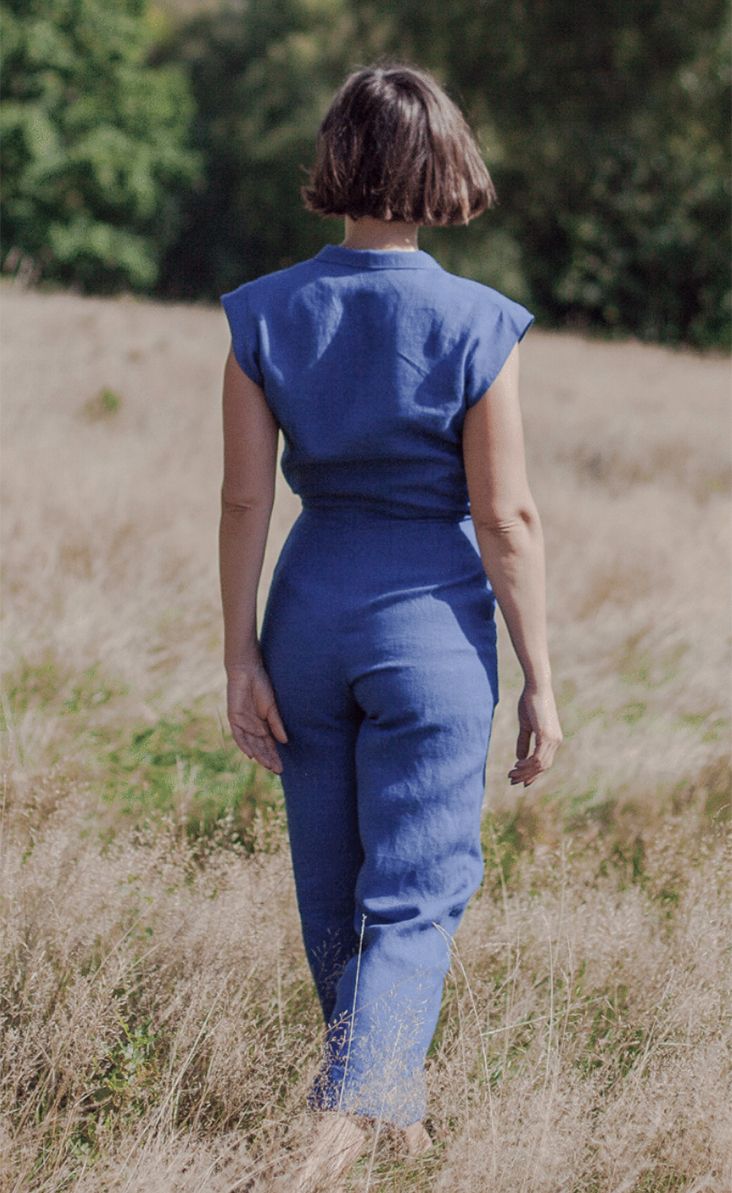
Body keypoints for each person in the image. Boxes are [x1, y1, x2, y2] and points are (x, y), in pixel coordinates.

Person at [218, 59, 563, 1191]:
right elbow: (505, 517)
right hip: (428, 629)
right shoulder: (479, 322)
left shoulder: (263, 313)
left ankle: (393, 1121)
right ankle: (341, 1123)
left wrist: (239, 652)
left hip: (307, 615)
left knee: (333, 885)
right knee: (414, 889)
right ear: (444, 168)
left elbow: (243, 501)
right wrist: (541, 679)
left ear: (338, 165)